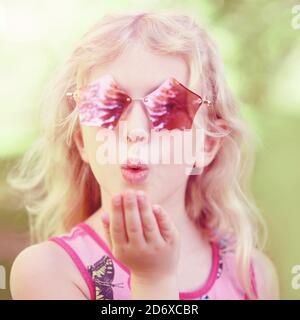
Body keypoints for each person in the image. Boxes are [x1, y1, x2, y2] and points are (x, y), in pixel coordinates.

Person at [8, 12, 279, 300]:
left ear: (207, 144)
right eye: (106, 103)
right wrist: (152, 281)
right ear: (82, 142)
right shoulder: (50, 271)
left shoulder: (252, 276)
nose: (135, 130)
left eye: (169, 106)